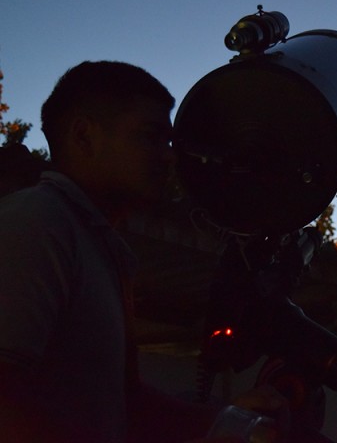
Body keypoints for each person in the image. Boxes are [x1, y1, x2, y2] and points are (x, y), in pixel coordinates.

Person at [0, 61, 287, 442]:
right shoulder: (38, 222)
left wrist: (235, 424)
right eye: (151, 137)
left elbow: (128, 404)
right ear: (84, 136)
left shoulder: (100, 247)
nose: (168, 157)